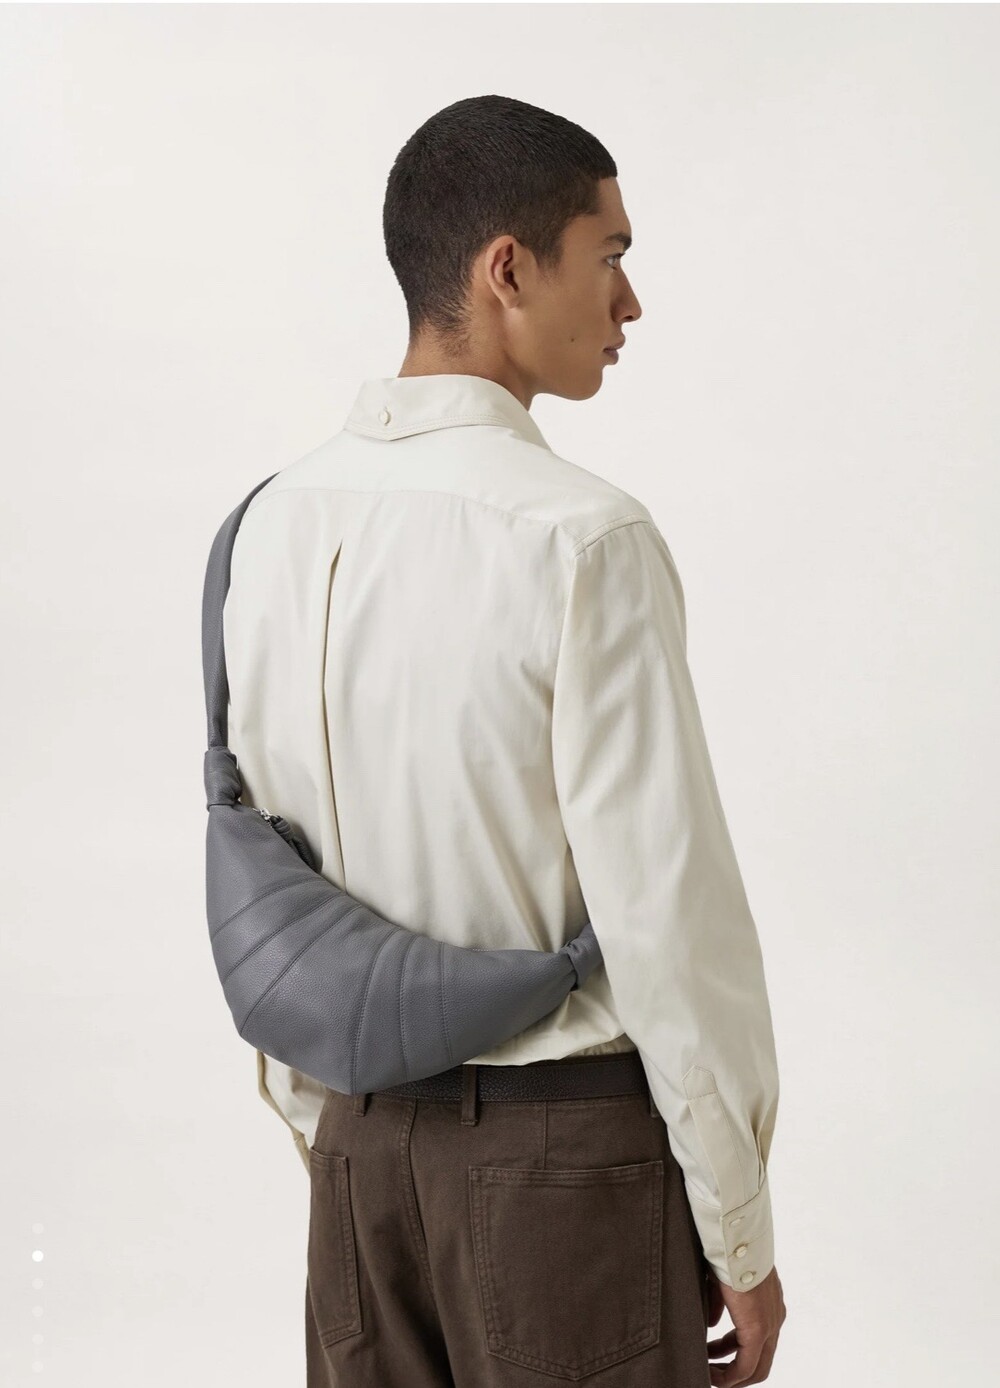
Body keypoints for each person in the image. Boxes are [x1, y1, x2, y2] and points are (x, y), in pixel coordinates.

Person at [222, 93, 786, 1388]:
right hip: (562, 1173)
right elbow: (667, 921)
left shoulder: (271, 527)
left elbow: (265, 886)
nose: (631, 302)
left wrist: (343, 1143)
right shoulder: (583, 539)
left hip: (358, 1162)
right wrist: (739, 1228)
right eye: (611, 255)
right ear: (508, 270)